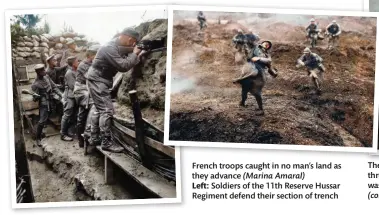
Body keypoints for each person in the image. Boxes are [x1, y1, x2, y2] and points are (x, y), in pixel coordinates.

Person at [87, 28, 147, 153]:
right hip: (98, 80)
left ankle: (94, 137)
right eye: (133, 42)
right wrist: (135, 53)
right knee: (107, 111)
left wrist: (134, 52)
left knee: (99, 110)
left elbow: (125, 56)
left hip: (98, 79)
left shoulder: (115, 46)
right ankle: (106, 142)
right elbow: (123, 66)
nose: (133, 45)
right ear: (130, 39)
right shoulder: (109, 48)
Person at [233, 40, 276, 115]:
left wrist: (259, 59)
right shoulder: (255, 47)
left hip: (260, 72)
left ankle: (261, 109)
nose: (267, 44)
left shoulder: (267, 55)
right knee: (245, 88)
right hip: (249, 68)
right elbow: (247, 52)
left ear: (268, 48)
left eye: (268, 45)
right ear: (262, 43)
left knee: (257, 91)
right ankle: (242, 102)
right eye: (266, 43)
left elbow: (269, 62)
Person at [73, 45, 100, 147]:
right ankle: (82, 138)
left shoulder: (91, 63)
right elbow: (91, 78)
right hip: (81, 91)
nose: (97, 57)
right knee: (83, 115)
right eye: (95, 55)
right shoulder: (83, 65)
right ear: (90, 55)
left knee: (83, 114)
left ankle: (86, 136)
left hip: (87, 90)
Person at [31, 64, 63, 146]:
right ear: (38, 72)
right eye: (42, 70)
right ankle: (38, 138)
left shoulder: (47, 77)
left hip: (53, 99)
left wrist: (61, 95)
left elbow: (54, 87)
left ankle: (63, 131)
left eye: (44, 69)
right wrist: (35, 96)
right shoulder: (35, 84)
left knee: (62, 108)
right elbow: (34, 99)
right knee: (42, 121)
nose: (45, 71)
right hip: (44, 103)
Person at [60, 56, 80, 141]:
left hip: (75, 96)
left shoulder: (76, 71)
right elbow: (73, 86)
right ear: (73, 64)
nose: (78, 62)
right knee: (67, 115)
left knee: (74, 114)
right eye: (77, 61)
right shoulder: (69, 73)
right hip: (70, 96)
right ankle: (63, 134)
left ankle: (70, 131)